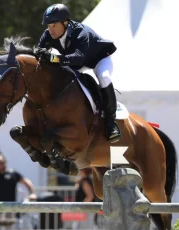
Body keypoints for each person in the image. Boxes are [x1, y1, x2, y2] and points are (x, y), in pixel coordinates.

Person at [34, 3, 121, 143]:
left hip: (98, 59)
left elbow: (78, 57)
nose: (50, 29)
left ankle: (111, 122)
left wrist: (53, 58)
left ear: (65, 22)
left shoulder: (81, 32)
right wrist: (40, 53)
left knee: (104, 78)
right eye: (48, 25)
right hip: (77, 63)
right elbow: (38, 51)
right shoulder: (48, 34)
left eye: (54, 25)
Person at [0, 153, 36, 229]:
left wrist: (32, 193)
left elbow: (27, 182)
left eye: (2, 162)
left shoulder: (13, 173)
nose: (1, 165)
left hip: (9, 208)